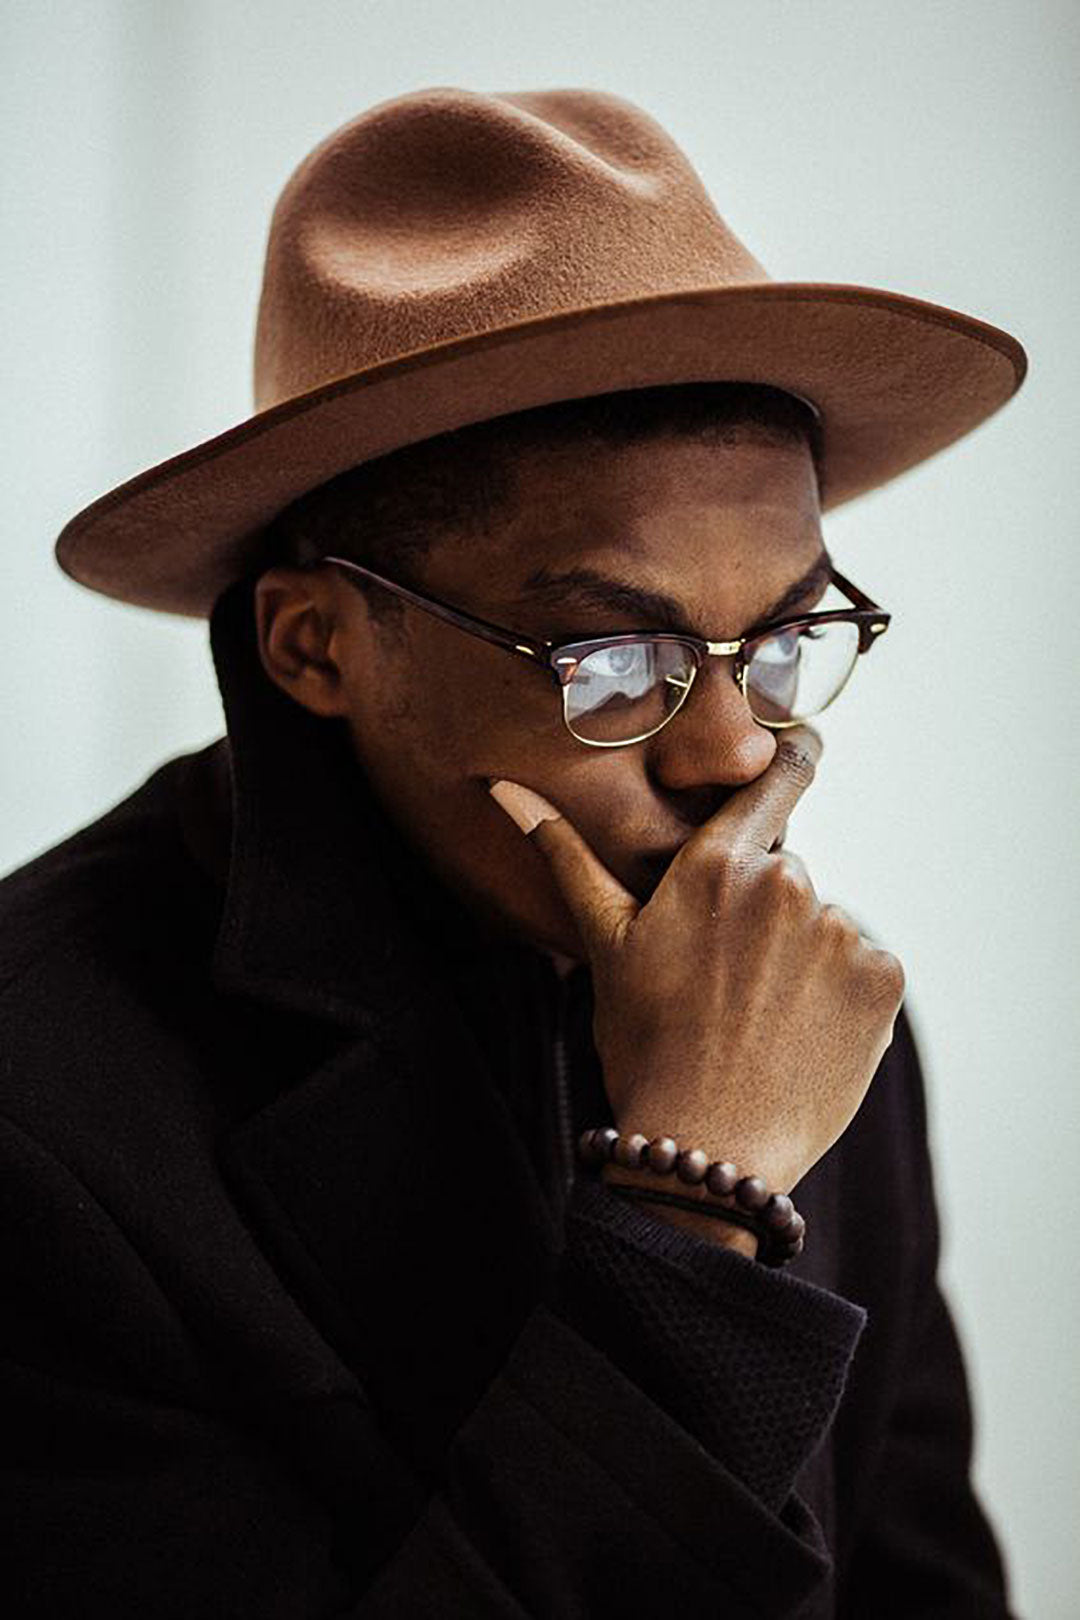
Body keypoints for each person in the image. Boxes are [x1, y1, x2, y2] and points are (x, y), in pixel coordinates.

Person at [0, 86, 1026, 1617]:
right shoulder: (40, 1108)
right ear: (316, 645)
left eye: (789, 637)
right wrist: (698, 1212)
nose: (735, 752)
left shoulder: (817, 1015)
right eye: (613, 658)